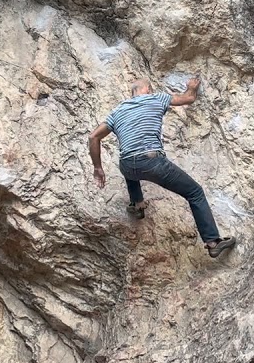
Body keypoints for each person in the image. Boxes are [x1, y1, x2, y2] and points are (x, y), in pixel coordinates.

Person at [88, 77, 236, 258]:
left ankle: (138, 203)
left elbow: (93, 137)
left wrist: (98, 168)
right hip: (153, 162)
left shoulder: (118, 111)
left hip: (127, 165)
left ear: (132, 92)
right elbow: (188, 98)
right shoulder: (156, 98)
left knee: (128, 164)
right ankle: (213, 241)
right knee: (195, 192)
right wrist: (191, 87)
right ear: (148, 89)